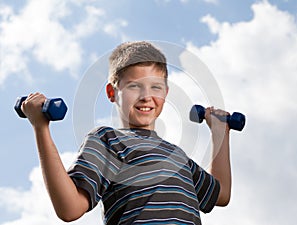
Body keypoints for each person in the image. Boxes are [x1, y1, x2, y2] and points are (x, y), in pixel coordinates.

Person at [21, 41, 231, 224]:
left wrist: (220, 132)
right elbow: (69, 208)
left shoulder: (177, 155)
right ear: (112, 92)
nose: (146, 96)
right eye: (134, 86)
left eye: (156, 87)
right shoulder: (108, 140)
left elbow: (220, 194)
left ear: (166, 93)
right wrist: (41, 128)